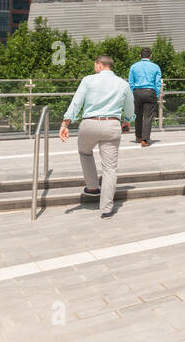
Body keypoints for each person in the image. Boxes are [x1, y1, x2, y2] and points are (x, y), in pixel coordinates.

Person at [59, 56, 133, 219]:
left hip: (89, 124)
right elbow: (129, 108)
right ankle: (106, 209)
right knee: (110, 168)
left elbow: (76, 102)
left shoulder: (88, 80)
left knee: (85, 152)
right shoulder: (123, 84)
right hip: (112, 125)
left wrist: (65, 124)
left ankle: (92, 187)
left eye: (95, 64)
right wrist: (127, 121)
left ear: (99, 65)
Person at [128, 47, 163, 147]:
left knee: (138, 115)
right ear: (150, 56)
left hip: (137, 92)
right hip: (150, 92)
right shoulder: (156, 67)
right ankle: (144, 140)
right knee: (148, 117)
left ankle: (138, 137)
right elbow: (157, 83)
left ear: (140, 56)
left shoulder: (134, 67)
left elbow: (131, 82)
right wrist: (155, 94)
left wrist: (132, 93)